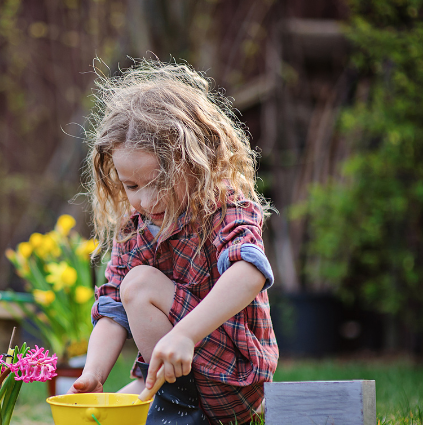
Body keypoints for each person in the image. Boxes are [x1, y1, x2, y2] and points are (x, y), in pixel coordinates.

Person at [69, 59, 278, 425]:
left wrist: (184, 334)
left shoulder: (225, 207)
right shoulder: (135, 228)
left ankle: (182, 410)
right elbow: (112, 309)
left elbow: (250, 272)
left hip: (234, 380)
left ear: (196, 163)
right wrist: (94, 374)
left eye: (158, 182)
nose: (146, 201)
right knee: (97, 417)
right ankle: (174, 404)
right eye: (132, 186)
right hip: (178, 377)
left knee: (140, 284)